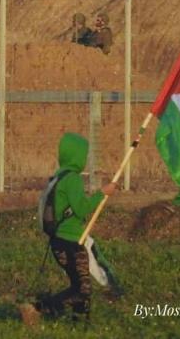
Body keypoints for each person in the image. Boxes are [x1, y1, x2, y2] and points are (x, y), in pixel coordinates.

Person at [23, 133, 120, 324]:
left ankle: (79, 323)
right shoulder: (73, 179)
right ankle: (38, 308)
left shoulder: (58, 177)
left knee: (80, 286)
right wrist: (103, 193)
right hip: (71, 243)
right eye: (84, 155)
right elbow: (82, 208)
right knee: (82, 289)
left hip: (59, 242)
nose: (85, 160)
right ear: (77, 156)